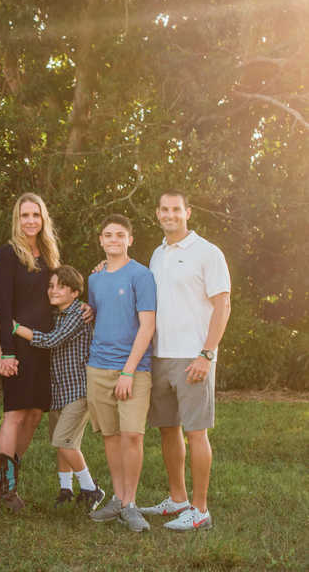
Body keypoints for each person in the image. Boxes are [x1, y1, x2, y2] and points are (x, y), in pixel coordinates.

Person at [140, 191, 231, 531]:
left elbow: (223, 306)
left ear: (188, 212)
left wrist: (207, 354)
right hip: (161, 355)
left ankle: (200, 509)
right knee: (168, 430)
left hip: (194, 357)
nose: (170, 215)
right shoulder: (157, 254)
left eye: (176, 209)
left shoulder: (208, 253)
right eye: (164, 209)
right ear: (157, 213)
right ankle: (177, 499)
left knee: (195, 432)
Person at [12, 265, 106, 511]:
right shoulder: (57, 313)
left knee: (64, 441)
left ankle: (91, 488)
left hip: (79, 389)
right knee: (61, 440)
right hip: (59, 390)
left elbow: (51, 340)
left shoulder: (78, 313)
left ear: (75, 293)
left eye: (61, 287)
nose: (53, 291)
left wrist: (14, 327)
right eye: (51, 286)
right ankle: (65, 489)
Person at [86, 214, 156, 532]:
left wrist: (128, 371)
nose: (114, 239)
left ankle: (131, 503)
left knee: (131, 435)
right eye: (108, 234)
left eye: (120, 235)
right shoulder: (95, 278)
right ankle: (117, 498)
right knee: (111, 437)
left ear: (130, 239)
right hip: (98, 367)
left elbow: (148, 325)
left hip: (133, 370)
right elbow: (98, 312)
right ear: (101, 240)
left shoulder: (141, 275)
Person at [0, 193, 62, 512]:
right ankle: (5, 487)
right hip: (18, 344)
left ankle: (13, 472)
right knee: (15, 413)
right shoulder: (9, 254)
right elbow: (3, 306)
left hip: (45, 344)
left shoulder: (49, 254)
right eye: (25, 215)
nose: (31, 220)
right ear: (17, 219)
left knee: (35, 413)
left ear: (43, 218)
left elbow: (61, 294)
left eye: (36, 214)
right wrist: (6, 352)